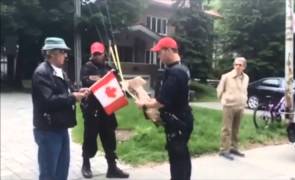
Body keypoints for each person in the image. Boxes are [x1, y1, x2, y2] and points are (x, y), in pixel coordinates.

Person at [135, 37, 194, 180]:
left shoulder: (175, 72)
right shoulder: (182, 68)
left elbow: (162, 102)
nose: (158, 56)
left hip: (177, 122)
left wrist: (143, 103)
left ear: (168, 50)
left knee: (177, 159)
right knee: (183, 156)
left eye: (159, 52)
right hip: (184, 119)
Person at [32, 37, 89, 180]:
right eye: (62, 52)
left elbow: (66, 92)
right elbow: (47, 101)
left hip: (60, 127)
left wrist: (78, 91)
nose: (66, 55)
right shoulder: (42, 73)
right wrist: (72, 97)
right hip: (48, 129)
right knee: (49, 172)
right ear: (51, 53)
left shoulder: (59, 72)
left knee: (62, 170)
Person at [80, 42, 129, 179]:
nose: (97, 56)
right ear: (91, 54)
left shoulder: (109, 69)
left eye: (99, 53)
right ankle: (86, 164)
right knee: (89, 138)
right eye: (95, 54)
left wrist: (121, 86)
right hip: (92, 109)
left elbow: (115, 86)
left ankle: (112, 168)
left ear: (104, 53)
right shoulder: (87, 68)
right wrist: (104, 80)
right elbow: (87, 83)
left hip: (107, 109)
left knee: (109, 139)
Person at [216, 57, 249, 160]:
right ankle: (224, 150)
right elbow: (219, 90)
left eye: (240, 65)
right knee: (227, 129)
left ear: (244, 66)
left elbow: (245, 90)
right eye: (236, 64)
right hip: (229, 106)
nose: (237, 67)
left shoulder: (246, 77)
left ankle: (234, 147)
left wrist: (244, 100)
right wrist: (224, 100)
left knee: (236, 129)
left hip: (240, 106)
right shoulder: (226, 76)